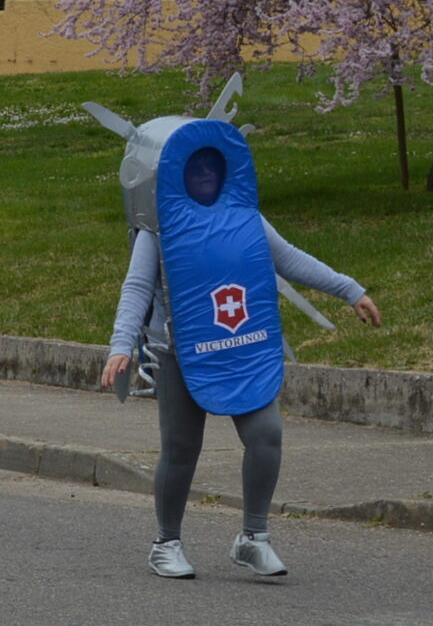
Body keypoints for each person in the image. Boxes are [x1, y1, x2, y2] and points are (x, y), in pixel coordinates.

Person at [99, 143, 382, 579]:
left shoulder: (246, 217)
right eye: (196, 166)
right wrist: (121, 345)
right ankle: (166, 543)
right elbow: (136, 288)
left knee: (266, 434)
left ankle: (253, 539)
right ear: (177, 176)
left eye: (213, 163)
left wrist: (351, 290)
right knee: (181, 449)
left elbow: (288, 259)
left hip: (242, 348)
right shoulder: (158, 229)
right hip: (180, 353)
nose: (207, 171)